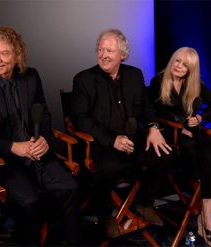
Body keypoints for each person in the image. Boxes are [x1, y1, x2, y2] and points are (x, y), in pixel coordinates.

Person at [0, 26, 79, 246]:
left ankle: (66, 241)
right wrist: (13, 147)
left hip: (37, 153)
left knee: (69, 187)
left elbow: (43, 115)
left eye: (4, 53)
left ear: (17, 55)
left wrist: (43, 140)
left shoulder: (31, 77)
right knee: (29, 201)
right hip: (4, 161)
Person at [71, 28, 173, 237]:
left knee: (165, 155)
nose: (103, 55)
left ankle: (144, 202)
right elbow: (79, 119)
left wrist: (153, 127)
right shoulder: (83, 79)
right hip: (102, 143)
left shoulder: (135, 75)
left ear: (123, 55)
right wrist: (112, 140)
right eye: (100, 49)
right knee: (109, 168)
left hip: (134, 138)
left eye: (109, 50)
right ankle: (105, 214)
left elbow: (146, 108)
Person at [149, 47, 211, 247]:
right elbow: (154, 113)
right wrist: (181, 128)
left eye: (185, 65)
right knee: (191, 147)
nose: (179, 66)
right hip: (169, 136)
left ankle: (205, 215)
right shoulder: (158, 81)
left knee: (209, 154)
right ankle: (207, 196)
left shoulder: (196, 82)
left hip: (193, 134)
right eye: (177, 61)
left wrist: (200, 117)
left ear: (191, 69)